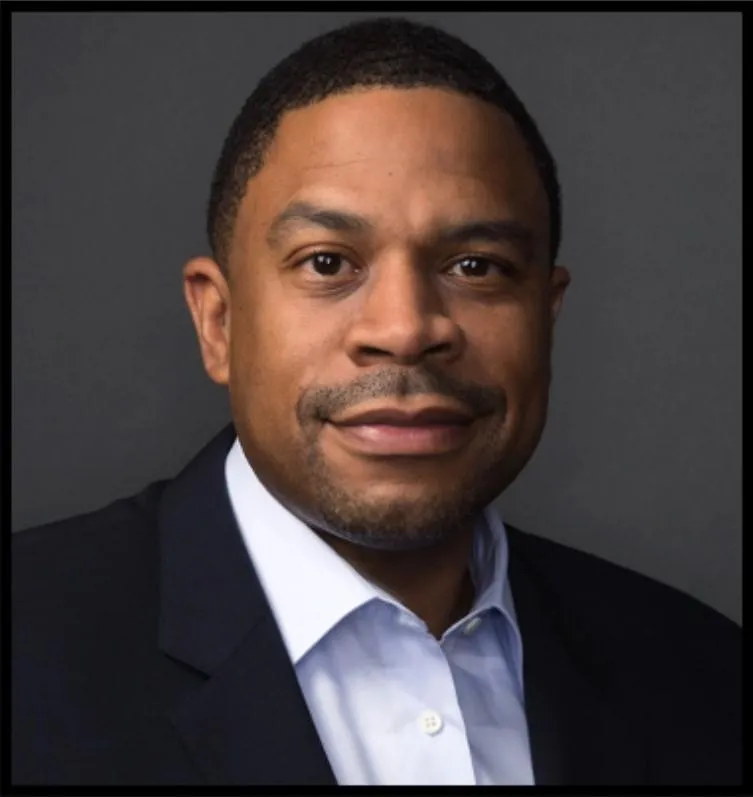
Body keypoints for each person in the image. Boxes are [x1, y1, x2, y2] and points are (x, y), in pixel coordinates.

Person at [11, 17, 741, 787]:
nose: (404, 328)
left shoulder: (706, 678)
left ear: (545, 314)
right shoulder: (26, 651)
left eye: (475, 265)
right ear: (218, 322)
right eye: (327, 261)